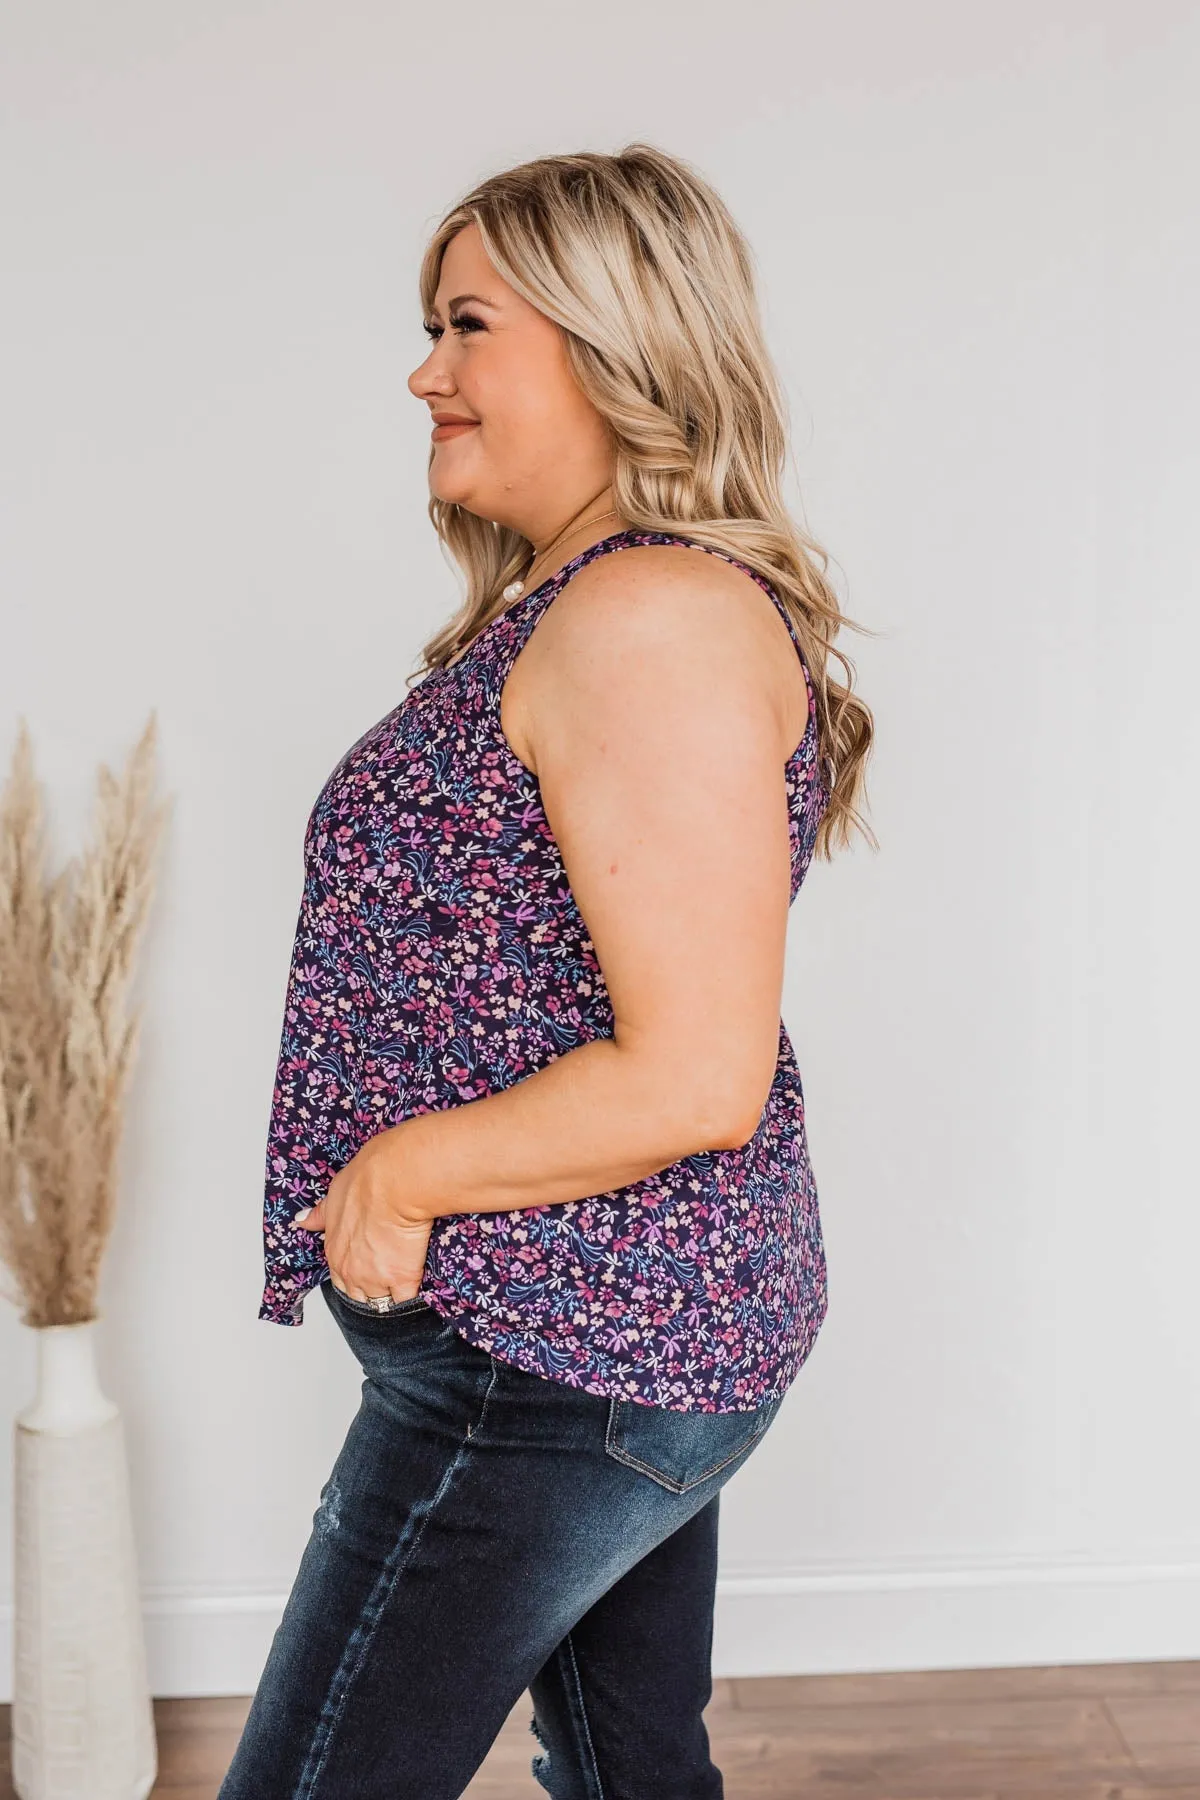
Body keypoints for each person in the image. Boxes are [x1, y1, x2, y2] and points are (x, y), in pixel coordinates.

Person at [219, 141, 874, 1800]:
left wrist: (402, 1165)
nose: (423, 369)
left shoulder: (647, 616)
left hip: (555, 1359)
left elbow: (694, 1072)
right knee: (629, 1770)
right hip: (604, 1338)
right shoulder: (598, 603)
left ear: (607, 339)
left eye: (466, 325)